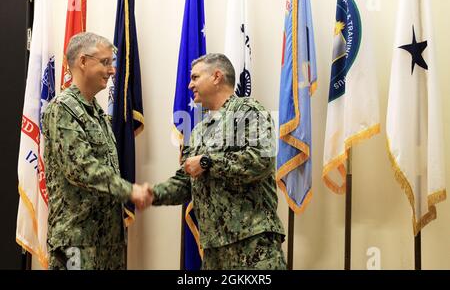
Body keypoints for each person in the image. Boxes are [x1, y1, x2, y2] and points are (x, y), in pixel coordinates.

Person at [150, 53, 286, 269]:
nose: (189, 84)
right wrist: (149, 194)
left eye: (195, 77)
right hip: (214, 251)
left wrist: (207, 162)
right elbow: (186, 182)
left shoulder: (248, 111)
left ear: (216, 76)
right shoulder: (199, 131)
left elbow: (261, 160)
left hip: (252, 245)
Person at [42, 32, 152, 270]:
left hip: (106, 243)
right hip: (76, 243)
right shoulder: (62, 109)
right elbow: (81, 168)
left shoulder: (97, 113)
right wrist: (129, 190)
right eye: (105, 62)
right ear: (83, 62)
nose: (112, 70)